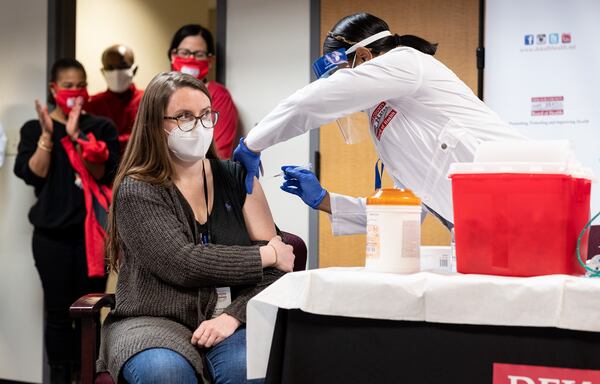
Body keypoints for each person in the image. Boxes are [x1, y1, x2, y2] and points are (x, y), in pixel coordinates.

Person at [233, 12, 527, 233]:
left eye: (342, 77)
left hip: (527, 197)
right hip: (486, 228)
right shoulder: (388, 122)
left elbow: (309, 102)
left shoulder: (406, 62)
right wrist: (325, 200)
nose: (345, 88)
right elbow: (407, 209)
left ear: (362, 56)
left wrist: (253, 142)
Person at [97, 71, 294, 384]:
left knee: (246, 371)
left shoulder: (238, 178)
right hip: (153, 321)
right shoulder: (138, 189)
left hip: (232, 321)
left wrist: (233, 316)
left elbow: (279, 271)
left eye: (206, 115)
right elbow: (182, 263)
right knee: (166, 374)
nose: (199, 126)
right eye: (184, 117)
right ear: (154, 124)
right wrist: (266, 255)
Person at [13, 58, 119, 383]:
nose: (75, 92)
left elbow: (102, 173)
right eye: (68, 86)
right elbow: (35, 174)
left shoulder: (101, 127)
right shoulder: (34, 128)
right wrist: (49, 134)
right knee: (58, 314)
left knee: (91, 313)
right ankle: (61, 376)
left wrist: (77, 136)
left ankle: (88, 375)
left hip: (93, 239)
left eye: (80, 85)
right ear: (53, 88)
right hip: (51, 239)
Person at [169, 24, 239, 159]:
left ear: (210, 60)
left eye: (199, 54)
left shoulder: (218, 96)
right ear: (173, 55)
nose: (191, 59)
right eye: (184, 53)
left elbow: (220, 153)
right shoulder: (161, 93)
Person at [87, 44, 144, 154]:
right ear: (103, 71)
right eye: (111, 68)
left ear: (134, 69)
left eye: (122, 66)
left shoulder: (148, 100)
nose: (116, 72)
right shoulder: (92, 104)